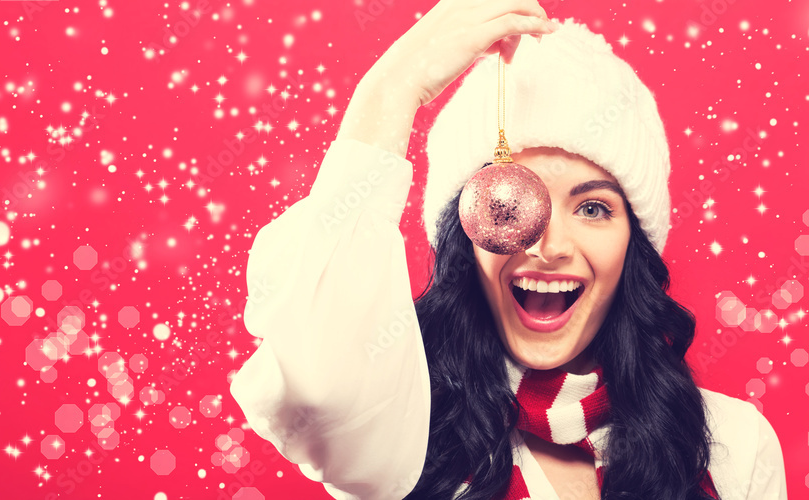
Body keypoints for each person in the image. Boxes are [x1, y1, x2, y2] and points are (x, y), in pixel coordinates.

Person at [229, 1, 787, 499]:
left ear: (633, 247)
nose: (549, 247)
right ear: (461, 237)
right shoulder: (402, 432)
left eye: (593, 208)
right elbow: (317, 390)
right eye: (510, 203)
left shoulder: (731, 448)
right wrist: (392, 88)